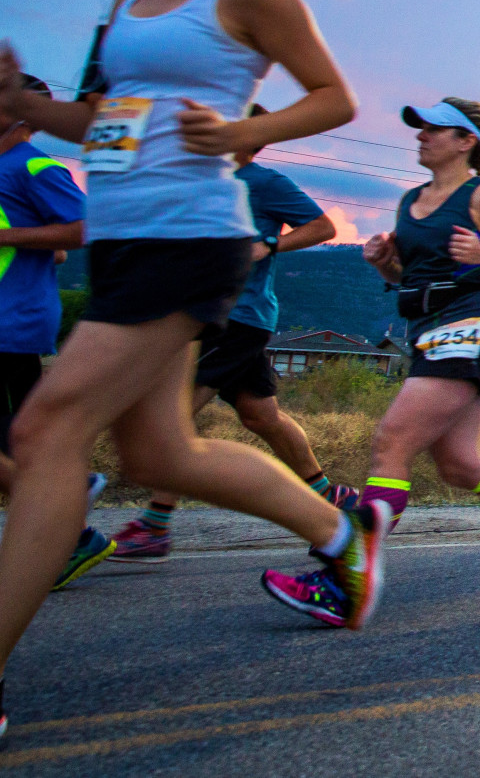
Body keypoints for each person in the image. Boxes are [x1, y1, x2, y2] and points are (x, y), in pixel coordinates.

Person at [0, 0, 385, 736]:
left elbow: (333, 98)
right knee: (160, 456)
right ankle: (343, 535)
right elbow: (97, 119)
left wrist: (239, 134)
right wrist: (21, 101)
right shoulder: (128, 4)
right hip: (121, 241)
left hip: (191, 236)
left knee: (45, 431)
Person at [269, 98, 480, 624]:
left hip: (472, 326)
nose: (421, 135)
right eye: (419, 128)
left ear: (467, 142)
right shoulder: (410, 202)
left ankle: (345, 580)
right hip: (424, 330)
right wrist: (384, 265)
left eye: (434, 129)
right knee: (460, 465)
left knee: (392, 442)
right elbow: (407, 278)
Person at [110, 105, 350, 562]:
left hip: (237, 317)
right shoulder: (201, 179)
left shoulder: (264, 182)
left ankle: (155, 526)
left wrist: (271, 243)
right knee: (261, 415)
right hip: (205, 314)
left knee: (173, 419)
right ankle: (330, 497)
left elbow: (323, 227)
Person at [0, 74, 109, 592]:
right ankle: (68, 510)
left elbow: (84, 227)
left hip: (12, 322)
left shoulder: (35, 165)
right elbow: (57, 247)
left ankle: (69, 523)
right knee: (21, 441)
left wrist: (8, 235)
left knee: (19, 440)